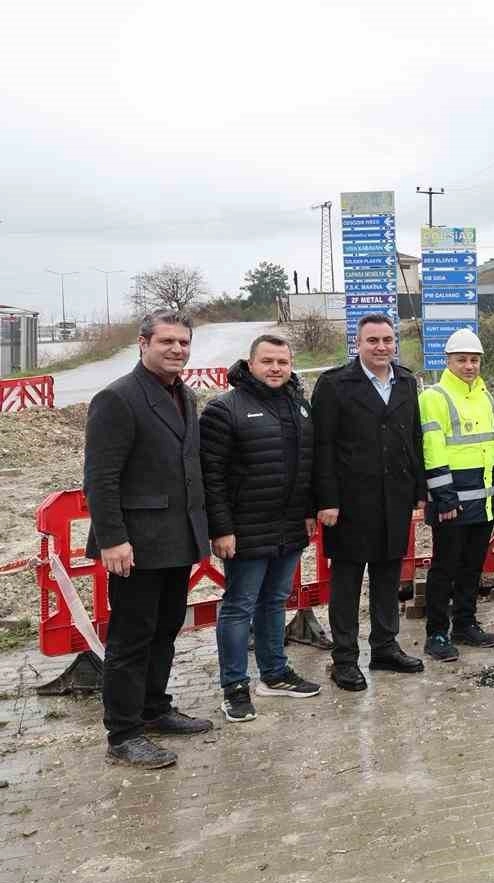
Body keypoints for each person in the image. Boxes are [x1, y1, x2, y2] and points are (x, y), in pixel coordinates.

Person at [84, 310, 214, 768]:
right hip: (135, 544)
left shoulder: (185, 396)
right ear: (143, 344)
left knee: (165, 628)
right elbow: (101, 477)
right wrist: (112, 539)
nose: (177, 349)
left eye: (183, 342)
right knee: (131, 638)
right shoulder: (117, 398)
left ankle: (155, 709)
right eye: (167, 341)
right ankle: (123, 733)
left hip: (176, 538)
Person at [200, 334, 321, 725]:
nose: (275, 369)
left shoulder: (299, 405)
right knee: (239, 606)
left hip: (289, 525)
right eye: (267, 361)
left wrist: (308, 510)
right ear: (250, 364)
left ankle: (275, 673)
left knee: (275, 601)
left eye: (283, 362)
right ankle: (235, 687)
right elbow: (211, 476)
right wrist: (221, 529)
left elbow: (306, 464)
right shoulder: (225, 409)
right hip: (245, 528)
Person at [312, 313, 428, 692]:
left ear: (395, 343)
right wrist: (326, 500)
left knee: (387, 576)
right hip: (350, 503)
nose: (381, 347)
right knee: (347, 583)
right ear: (358, 344)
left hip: (394, 498)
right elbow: (322, 446)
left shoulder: (406, 382)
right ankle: (344, 658)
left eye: (387, 340)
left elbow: (413, 439)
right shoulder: (334, 385)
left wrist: (419, 490)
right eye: (373, 340)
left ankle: (384, 647)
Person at [418, 329, 494, 661]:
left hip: (483, 499)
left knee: (471, 567)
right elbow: (432, 449)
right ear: (448, 361)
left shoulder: (484, 396)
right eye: (462, 360)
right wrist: (444, 497)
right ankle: (437, 633)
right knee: (445, 568)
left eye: (474, 360)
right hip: (451, 501)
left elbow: (489, 446)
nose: (469, 366)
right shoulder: (434, 397)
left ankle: (465, 624)